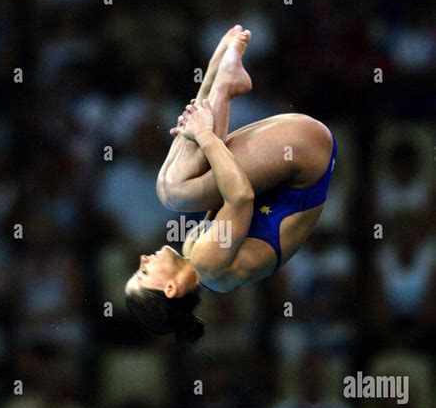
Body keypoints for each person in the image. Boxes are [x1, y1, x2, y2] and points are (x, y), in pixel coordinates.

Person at [125, 26, 337, 342]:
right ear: (170, 288)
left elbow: (223, 185)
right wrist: (205, 135)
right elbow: (239, 196)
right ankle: (222, 81)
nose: (143, 260)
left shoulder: (198, 256)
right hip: (305, 156)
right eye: (143, 273)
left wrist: (199, 133)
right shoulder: (208, 263)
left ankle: (219, 71)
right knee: (174, 192)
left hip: (295, 157)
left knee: (176, 185)